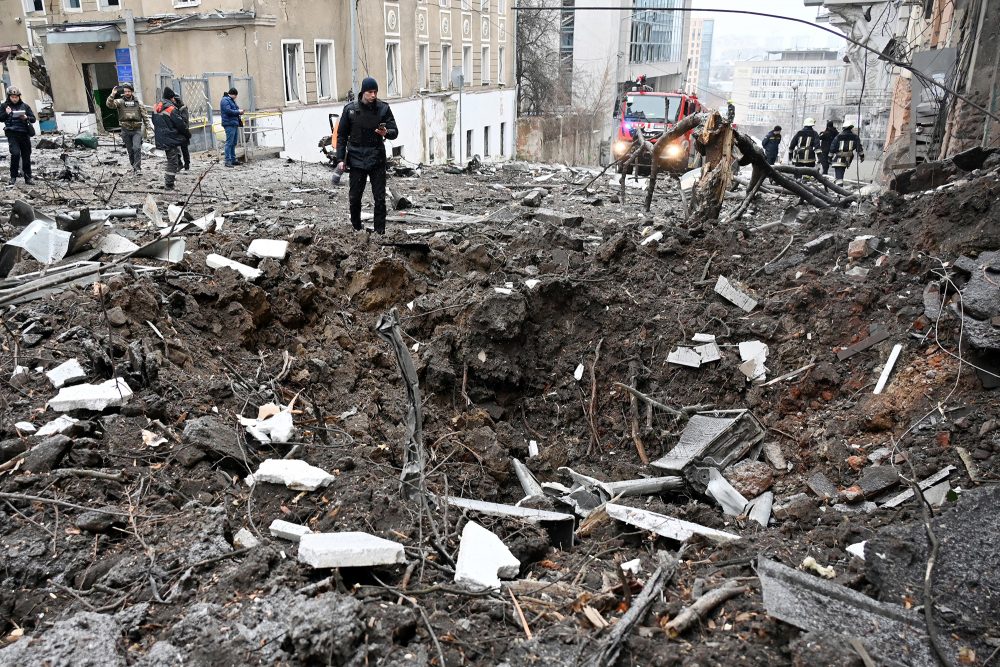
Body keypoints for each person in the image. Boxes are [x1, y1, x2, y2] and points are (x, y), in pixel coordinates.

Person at [335, 77, 398, 234]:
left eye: (375, 92)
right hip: (356, 158)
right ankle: (357, 228)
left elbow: (394, 131)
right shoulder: (350, 109)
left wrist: (386, 132)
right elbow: (341, 136)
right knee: (355, 197)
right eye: (370, 92)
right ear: (363, 92)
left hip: (377, 157)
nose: (373, 95)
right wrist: (340, 159)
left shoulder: (383, 108)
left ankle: (379, 232)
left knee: (380, 198)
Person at [106, 82, 151, 174]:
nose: (127, 93)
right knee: (130, 151)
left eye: (129, 91)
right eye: (125, 91)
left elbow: (145, 116)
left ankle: (137, 168)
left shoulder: (138, 102)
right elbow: (109, 105)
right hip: (125, 130)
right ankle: (133, 166)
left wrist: (148, 128)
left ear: (132, 92)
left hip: (136, 130)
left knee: (137, 148)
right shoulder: (120, 102)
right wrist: (112, 94)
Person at [151, 87, 188, 190]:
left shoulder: (156, 106)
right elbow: (180, 124)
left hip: (161, 136)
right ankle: (169, 184)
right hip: (170, 137)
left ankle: (174, 174)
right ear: (172, 98)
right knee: (172, 161)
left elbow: (154, 121)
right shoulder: (171, 108)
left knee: (174, 156)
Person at [0, 87, 36, 185]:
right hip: (12, 134)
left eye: (16, 97)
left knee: (26, 156)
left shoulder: (25, 106)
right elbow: (1, 118)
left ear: (19, 97)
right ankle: (13, 177)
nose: (15, 99)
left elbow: (33, 119)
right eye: (13, 97)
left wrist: (26, 117)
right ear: (9, 97)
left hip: (24, 134)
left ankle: (28, 177)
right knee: (15, 154)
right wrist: (7, 114)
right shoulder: (4, 106)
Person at [220, 88, 244, 167]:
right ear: (233, 94)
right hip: (229, 123)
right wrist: (238, 111)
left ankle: (233, 159)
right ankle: (228, 161)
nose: (236, 97)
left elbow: (233, 109)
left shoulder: (230, 100)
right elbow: (228, 111)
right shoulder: (225, 100)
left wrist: (239, 111)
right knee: (229, 143)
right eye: (236, 96)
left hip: (233, 123)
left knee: (233, 142)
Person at [172, 93, 192, 170]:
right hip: (175, 132)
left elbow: (184, 120)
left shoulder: (183, 108)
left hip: (183, 132)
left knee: (184, 149)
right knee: (175, 150)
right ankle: (179, 164)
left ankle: (187, 165)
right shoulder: (172, 108)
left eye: (173, 99)